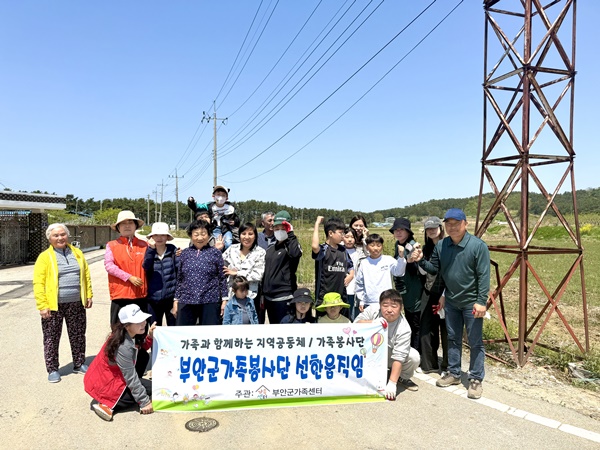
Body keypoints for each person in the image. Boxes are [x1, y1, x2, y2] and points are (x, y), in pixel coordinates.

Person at [418, 208, 490, 400]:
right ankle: (454, 373)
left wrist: (481, 301)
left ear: (465, 224)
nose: (452, 227)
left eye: (456, 223)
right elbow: (434, 268)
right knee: (452, 338)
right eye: (448, 224)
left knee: (475, 341)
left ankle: (475, 378)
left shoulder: (478, 246)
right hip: (451, 301)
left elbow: (484, 276)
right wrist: (420, 260)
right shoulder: (442, 245)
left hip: (471, 303)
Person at [33, 223, 93, 383]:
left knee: (78, 334)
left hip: (76, 303)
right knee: (51, 337)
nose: (60, 238)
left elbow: (86, 275)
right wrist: (42, 305)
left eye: (63, 234)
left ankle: (79, 363)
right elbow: (38, 283)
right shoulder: (44, 257)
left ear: (67, 235)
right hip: (53, 305)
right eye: (56, 235)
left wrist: (88, 295)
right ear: (49, 238)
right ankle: (52, 369)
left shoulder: (77, 253)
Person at [84, 304, 156, 421]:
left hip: (109, 378)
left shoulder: (126, 334)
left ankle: (121, 394)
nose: (144, 323)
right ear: (127, 326)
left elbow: (140, 349)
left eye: (143, 319)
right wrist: (144, 402)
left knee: (143, 356)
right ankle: (108, 405)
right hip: (105, 385)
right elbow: (130, 377)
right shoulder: (123, 346)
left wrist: (150, 337)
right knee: (151, 388)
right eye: (138, 321)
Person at [355, 289, 420, 398]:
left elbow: (399, 357)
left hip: (389, 356)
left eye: (394, 306)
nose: (389, 310)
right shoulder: (372, 310)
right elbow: (355, 325)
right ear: (380, 305)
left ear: (401, 308)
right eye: (385, 305)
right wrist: (372, 323)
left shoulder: (404, 328)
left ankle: (401, 377)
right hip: (367, 353)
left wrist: (392, 383)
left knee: (414, 356)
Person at [172, 220, 228, 326]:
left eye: (203, 234)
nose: (200, 238)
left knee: (209, 333)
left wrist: (224, 300)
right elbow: (180, 278)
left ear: (209, 235)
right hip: (186, 300)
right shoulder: (185, 253)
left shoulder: (215, 253)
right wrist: (176, 300)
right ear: (191, 235)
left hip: (210, 299)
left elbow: (222, 277)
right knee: (184, 333)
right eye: (196, 234)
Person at [104, 210, 148, 326]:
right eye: (123, 223)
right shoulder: (112, 245)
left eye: (130, 222)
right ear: (118, 227)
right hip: (120, 295)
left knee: (140, 330)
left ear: (135, 226)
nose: (127, 226)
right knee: (118, 331)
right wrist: (129, 277)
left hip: (140, 295)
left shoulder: (145, 245)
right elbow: (109, 266)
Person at [418, 216, 448, 374]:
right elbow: (424, 271)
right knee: (427, 327)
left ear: (440, 228)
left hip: (447, 292)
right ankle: (429, 364)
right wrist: (418, 259)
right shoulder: (426, 249)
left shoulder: (449, 246)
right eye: (428, 229)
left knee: (447, 329)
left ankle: (448, 365)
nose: (431, 231)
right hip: (430, 291)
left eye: (434, 228)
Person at [262, 210, 302, 325]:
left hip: (284, 297)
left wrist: (291, 235)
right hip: (269, 299)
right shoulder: (271, 248)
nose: (279, 231)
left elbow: (295, 254)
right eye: (276, 228)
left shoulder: (291, 246)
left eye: (283, 228)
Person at [390, 218, 424, 351]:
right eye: (396, 230)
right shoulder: (399, 244)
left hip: (413, 290)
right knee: (409, 321)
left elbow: (416, 269)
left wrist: (409, 260)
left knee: (415, 323)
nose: (398, 232)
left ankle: (416, 353)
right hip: (404, 289)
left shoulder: (412, 246)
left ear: (408, 232)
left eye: (402, 230)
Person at [222, 222, 266, 323]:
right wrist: (218, 249)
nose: (246, 237)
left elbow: (258, 274)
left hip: (250, 296)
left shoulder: (260, 252)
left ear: (255, 236)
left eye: (250, 234)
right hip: (232, 295)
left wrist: (237, 273)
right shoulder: (232, 249)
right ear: (239, 235)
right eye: (243, 233)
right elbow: (221, 266)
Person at [311, 216, 354, 314]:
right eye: (340, 233)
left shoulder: (343, 250)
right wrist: (317, 224)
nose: (343, 236)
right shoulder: (323, 249)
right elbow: (314, 246)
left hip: (341, 298)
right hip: (324, 298)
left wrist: (351, 275)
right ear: (330, 233)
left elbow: (350, 265)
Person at [354, 234, 407, 312]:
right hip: (369, 302)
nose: (375, 248)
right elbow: (359, 283)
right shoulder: (364, 263)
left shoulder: (388, 260)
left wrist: (401, 257)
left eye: (378, 245)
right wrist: (361, 300)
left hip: (386, 301)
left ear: (382, 247)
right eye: (372, 245)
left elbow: (399, 272)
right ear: (367, 247)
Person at [142, 222, 178, 327]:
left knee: (173, 329)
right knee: (155, 330)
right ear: (151, 237)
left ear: (167, 237)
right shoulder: (148, 251)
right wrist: (151, 250)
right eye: (156, 235)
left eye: (162, 235)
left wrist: (177, 298)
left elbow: (180, 273)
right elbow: (146, 267)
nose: (159, 238)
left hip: (171, 299)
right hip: (153, 300)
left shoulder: (173, 251)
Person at [187, 186, 239, 250]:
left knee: (228, 242)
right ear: (213, 196)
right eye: (218, 194)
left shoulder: (230, 207)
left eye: (223, 195)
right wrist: (191, 202)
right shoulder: (209, 205)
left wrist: (235, 222)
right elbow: (197, 207)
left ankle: (227, 254)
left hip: (226, 228)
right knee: (216, 243)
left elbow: (236, 218)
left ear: (227, 198)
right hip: (214, 228)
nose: (220, 197)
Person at [341, 227, 366, 320]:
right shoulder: (339, 250)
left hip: (355, 287)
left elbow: (369, 253)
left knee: (354, 314)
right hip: (343, 286)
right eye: (347, 237)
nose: (350, 240)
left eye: (352, 237)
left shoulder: (359, 252)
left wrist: (365, 238)